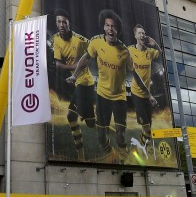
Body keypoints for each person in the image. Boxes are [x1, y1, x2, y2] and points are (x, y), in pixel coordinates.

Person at [72, 9, 132, 160]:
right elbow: (85, 59)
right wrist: (75, 75)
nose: (110, 29)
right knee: (100, 136)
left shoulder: (124, 51)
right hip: (102, 96)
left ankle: (125, 159)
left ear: (118, 30)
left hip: (119, 97)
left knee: (121, 135)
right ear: (104, 27)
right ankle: (111, 155)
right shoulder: (96, 42)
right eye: (107, 25)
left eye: (113, 26)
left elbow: (133, 70)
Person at [52, 9, 96, 160]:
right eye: (59, 22)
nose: (62, 24)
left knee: (71, 116)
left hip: (86, 83)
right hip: (76, 82)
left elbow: (91, 56)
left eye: (65, 21)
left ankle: (81, 156)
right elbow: (58, 65)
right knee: (90, 123)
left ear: (69, 23)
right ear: (56, 23)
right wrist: (77, 66)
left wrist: (79, 66)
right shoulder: (56, 40)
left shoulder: (81, 40)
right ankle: (101, 122)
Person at [128, 24, 161, 158]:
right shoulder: (129, 51)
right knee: (146, 128)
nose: (142, 35)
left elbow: (161, 54)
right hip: (137, 93)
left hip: (147, 94)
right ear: (135, 36)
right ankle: (140, 152)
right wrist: (150, 96)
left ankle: (138, 149)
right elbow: (135, 75)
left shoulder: (149, 52)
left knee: (148, 131)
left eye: (144, 33)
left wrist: (155, 44)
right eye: (139, 33)